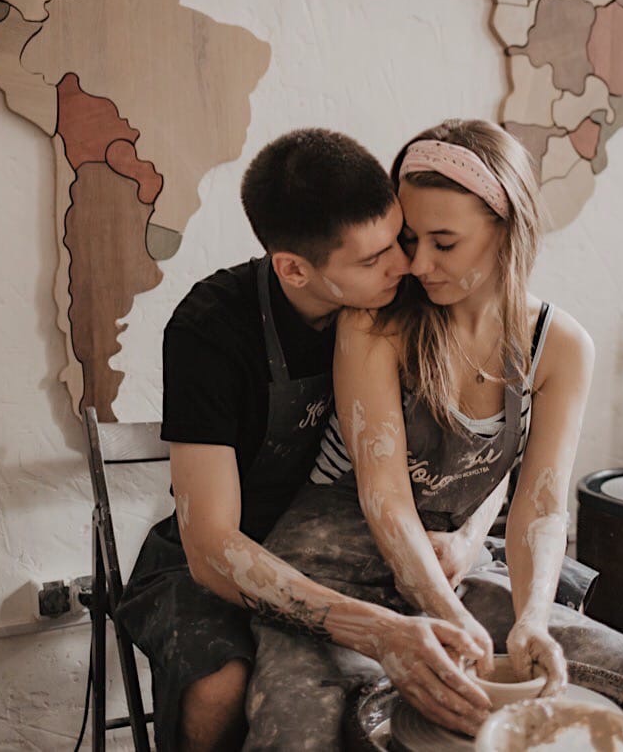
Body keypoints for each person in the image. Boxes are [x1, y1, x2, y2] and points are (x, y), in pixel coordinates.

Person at [115, 128, 495, 751]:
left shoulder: (410, 289)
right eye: (372, 260)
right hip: (236, 545)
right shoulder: (212, 327)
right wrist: (377, 631)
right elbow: (210, 545)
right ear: (293, 268)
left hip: (368, 539)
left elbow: (499, 435)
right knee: (220, 687)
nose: (406, 265)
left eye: (397, 240)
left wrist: (468, 538)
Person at [243, 118, 596, 748]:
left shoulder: (561, 346)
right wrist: (448, 617)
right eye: (409, 238)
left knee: (613, 677)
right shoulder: (375, 322)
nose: (417, 263)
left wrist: (533, 619)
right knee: (305, 732)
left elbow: (540, 507)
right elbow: (384, 498)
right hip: (331, 574)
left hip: (449, 566)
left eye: (444, 242)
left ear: (508, 229)